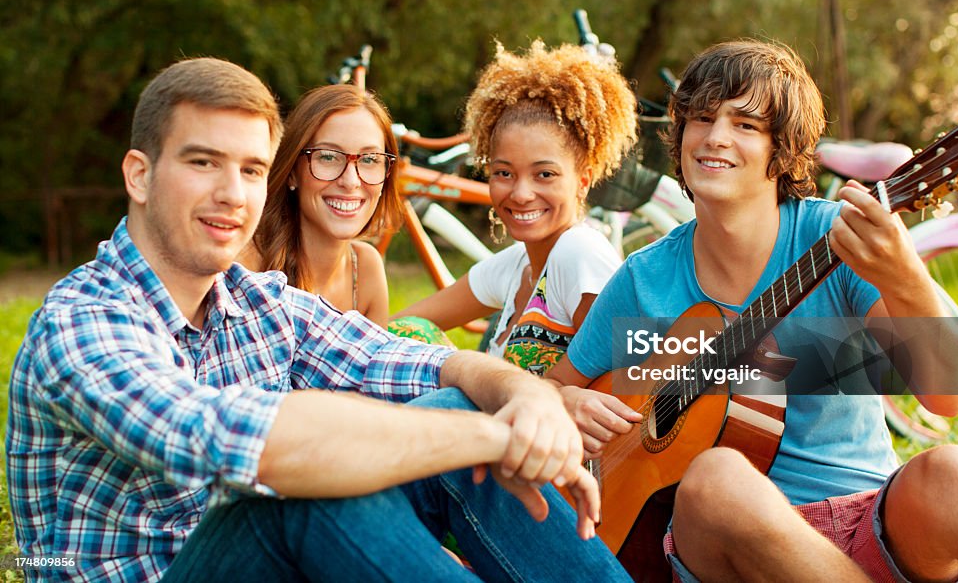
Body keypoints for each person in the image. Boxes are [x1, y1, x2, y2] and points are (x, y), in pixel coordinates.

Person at [6, 57, 630, 583]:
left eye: (250, 169)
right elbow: (252, 446)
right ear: (139, 176)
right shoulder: (83, 322)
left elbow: (408, 358)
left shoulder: (256, 300)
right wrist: (498, 437)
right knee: (293, 498)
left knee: (455, 404)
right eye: (203, 163)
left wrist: (527, 396)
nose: (232, 193)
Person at [547, 40, 958, 581]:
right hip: (731, 537)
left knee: (948, 471)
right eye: (701, 118)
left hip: (867, 520)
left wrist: (905, 277)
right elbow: (550, 388)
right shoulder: (645, 278)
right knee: (716, 479)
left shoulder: (834, 237)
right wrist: (567, 403)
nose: (716, 137)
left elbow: (948, 397)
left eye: (746, 125)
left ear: (782, 149)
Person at [394, 41, 638, 374]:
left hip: (547, 425)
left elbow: (635, 377)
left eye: (545, 174)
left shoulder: (579, 252)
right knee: (410, 333)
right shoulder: (517, 264)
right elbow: (404, 325)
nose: (521, 193)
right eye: (504, 173)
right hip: (492, 421)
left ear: (583, 180)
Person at [239, 83, 399, 327]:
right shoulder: (247, 264)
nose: (351, 181)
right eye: (328, 156)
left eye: (369, 159)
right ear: (292, 171)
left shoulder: (365, 267)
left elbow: (376, 364)